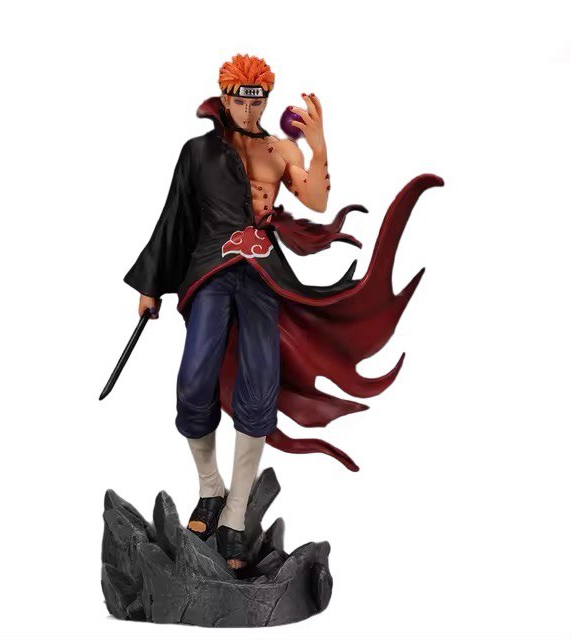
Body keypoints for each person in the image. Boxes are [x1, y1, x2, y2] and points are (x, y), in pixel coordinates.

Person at [124, 54, 443, 569]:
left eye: (259, 100)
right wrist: (150, 284)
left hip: (263, 275)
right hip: (210, 271)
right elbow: (175, 216)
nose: (250, 110)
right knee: (194, 378)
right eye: (241, 100)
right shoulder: (198, 152)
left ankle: (235, 512)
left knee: (261, 380)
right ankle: (210, 487)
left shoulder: (280, 149)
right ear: (225, 98)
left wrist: (318, 145)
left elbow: (315, 200)